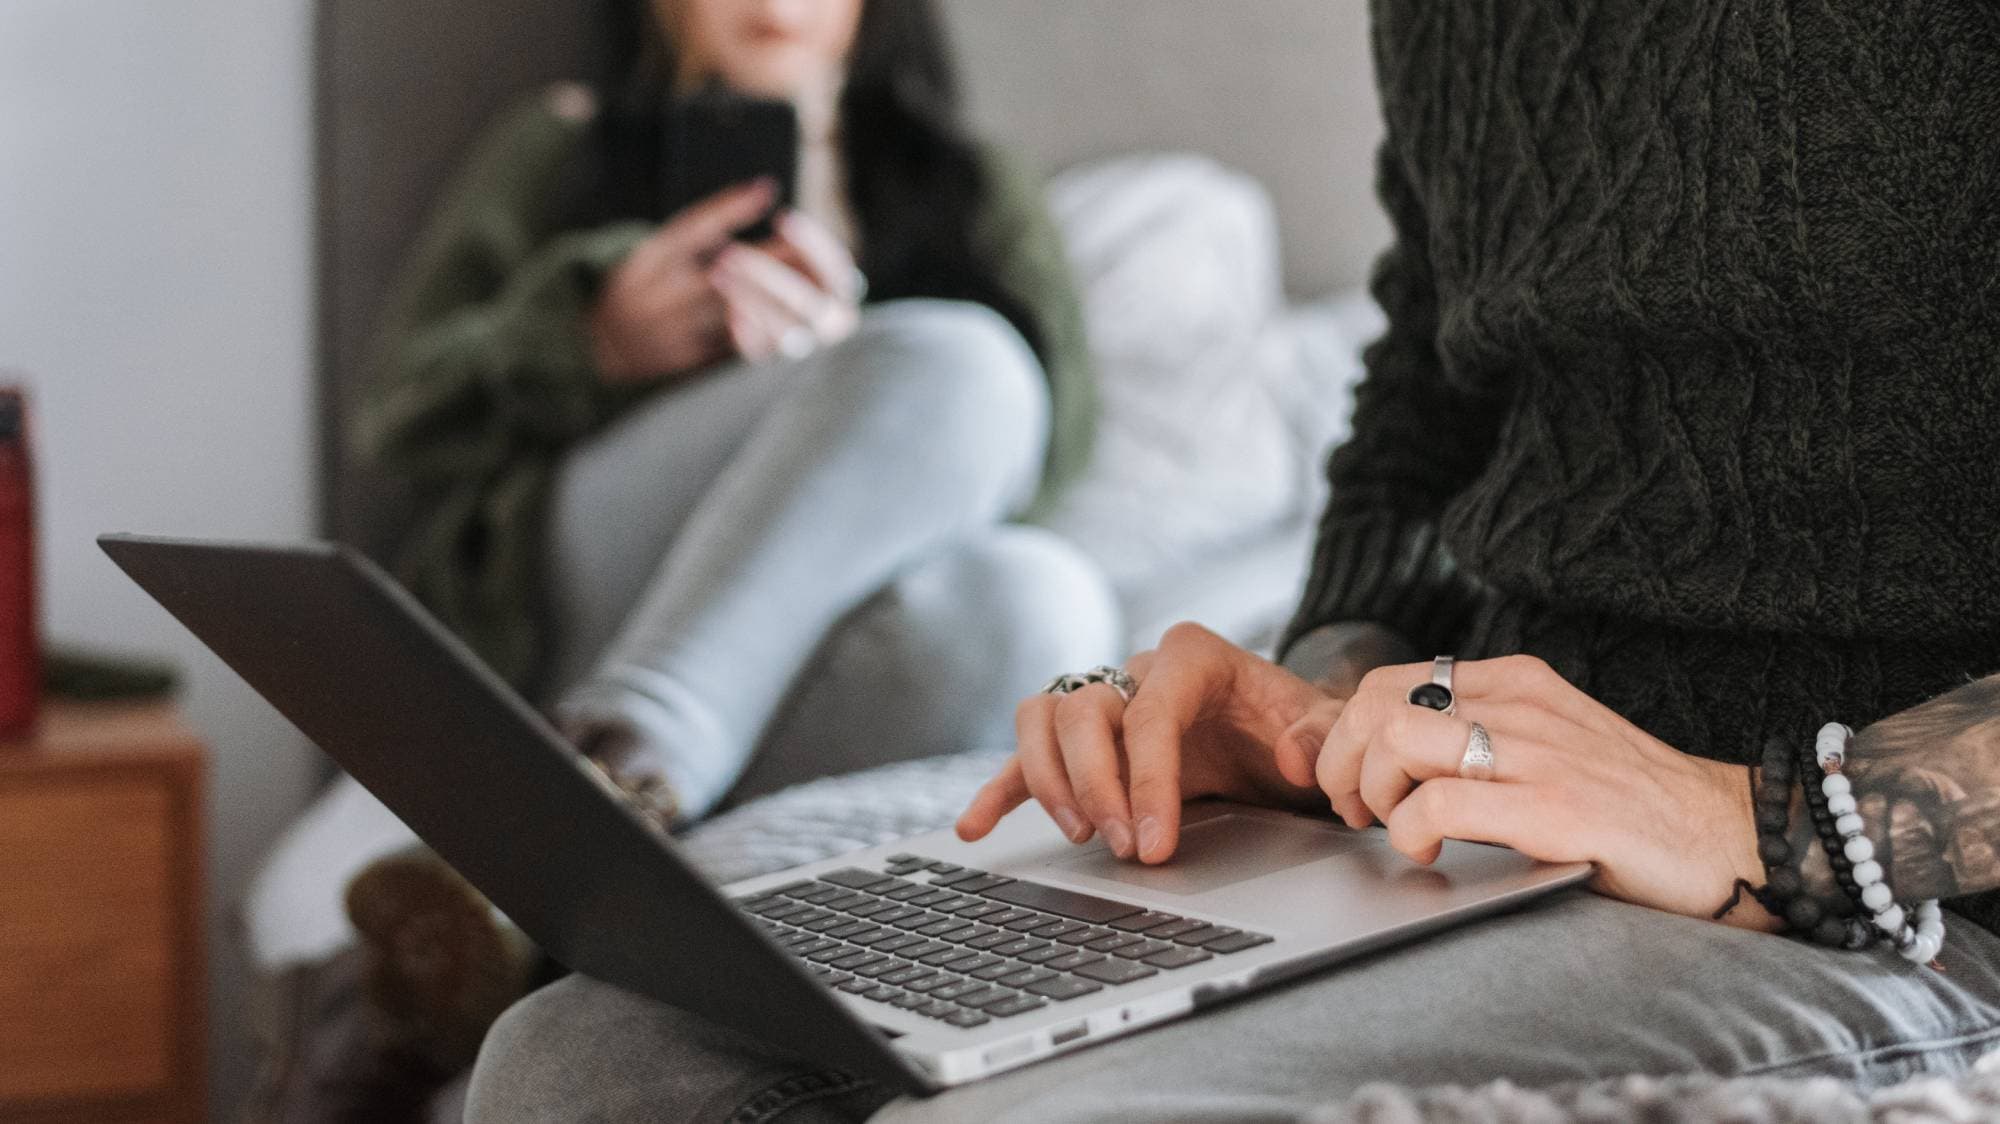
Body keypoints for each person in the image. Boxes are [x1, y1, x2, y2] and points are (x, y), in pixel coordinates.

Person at [466, 1, 2000, 1119]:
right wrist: (1321, 695)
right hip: (1470, 825)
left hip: (1888, 897)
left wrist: (1768, 820)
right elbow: (1430, 394)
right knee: (582, 1061)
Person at [358, 0, 1115, 830]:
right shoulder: (567, 141)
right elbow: (396, 418)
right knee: (964, 360)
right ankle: (628, 749)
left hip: (837, 614)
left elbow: (1050, 452)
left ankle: (633, 811)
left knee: (1045, 601)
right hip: (588, 579)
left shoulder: (970, 183)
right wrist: (589, 341)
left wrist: (860, 382)